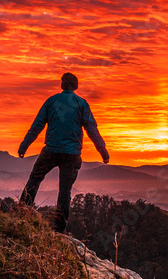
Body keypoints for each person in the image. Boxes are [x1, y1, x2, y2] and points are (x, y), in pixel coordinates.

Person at [17, 72, 109, 232]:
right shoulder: (81, 104)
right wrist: (103, 152)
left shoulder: (51, 101)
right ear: (76, 85)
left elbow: (37, 125)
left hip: (51, 150)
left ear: (62, 84)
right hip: (72, 154)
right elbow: (92, 129)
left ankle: (22, 212)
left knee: (34, 179)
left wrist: (24, 146)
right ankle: (59, 229)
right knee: (65, 191)